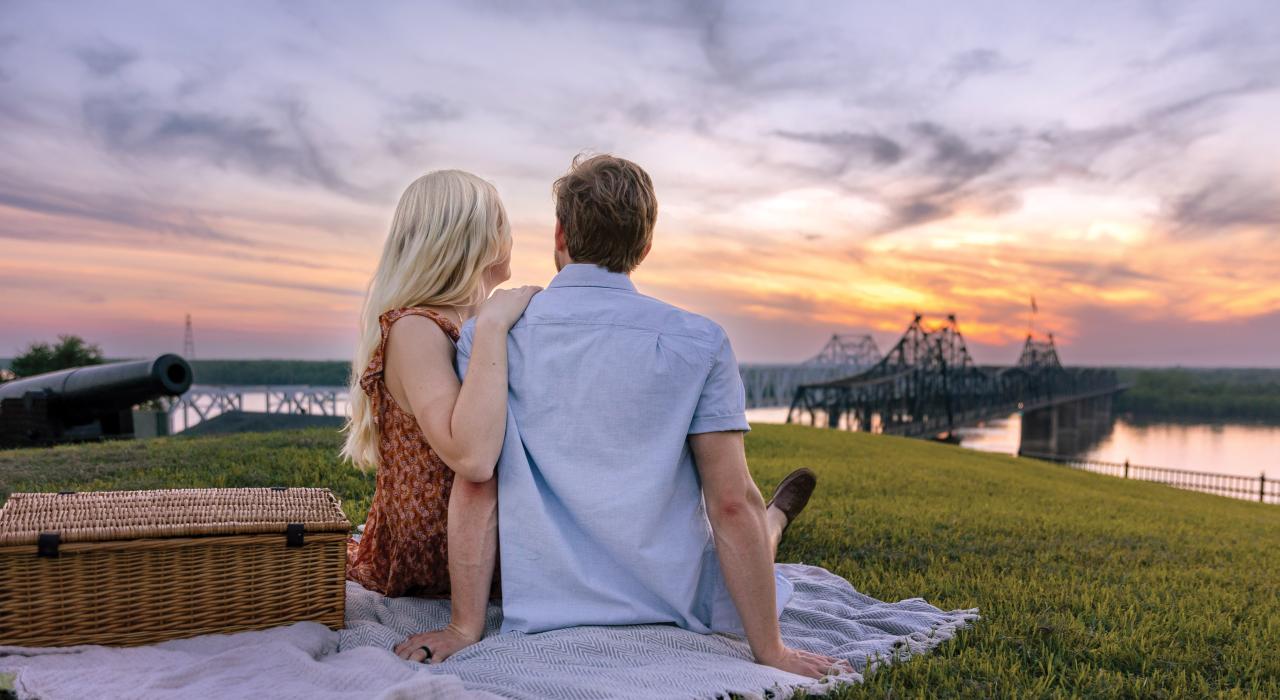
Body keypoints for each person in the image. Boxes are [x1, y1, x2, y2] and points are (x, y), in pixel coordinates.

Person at [452, 154, 851, 678]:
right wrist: (771, 652)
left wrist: (465, 627)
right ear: (644, 246)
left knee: (748, 528)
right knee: (754, 521)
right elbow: (730, 503)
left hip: (546, 606)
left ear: (559, 234)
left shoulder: (489, 337)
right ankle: (773, 522)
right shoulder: (700, 341)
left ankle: (774, 522)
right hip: (675, 599)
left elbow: (478, 486)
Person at [339, 169, 537, 664]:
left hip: (485, 529)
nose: (510, 233)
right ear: (471, 236)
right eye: (501, 220)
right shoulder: (416, 328)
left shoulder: (466, 321)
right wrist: (493, 326)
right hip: (437, 546)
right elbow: (471, 457)